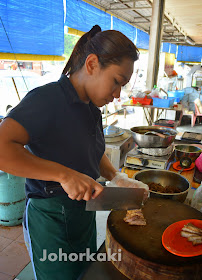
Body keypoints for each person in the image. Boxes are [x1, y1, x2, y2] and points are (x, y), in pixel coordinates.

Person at [0, 25, 139, 280]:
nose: (118, 94)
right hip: (50, 218)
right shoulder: (48, 99)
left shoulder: (92, 109)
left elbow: (92, 151)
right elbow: (2, 148)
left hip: (82, 214)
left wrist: (115, 177)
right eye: (117, 82)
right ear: (92, 63)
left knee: (84, 274)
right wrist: (63, 175)